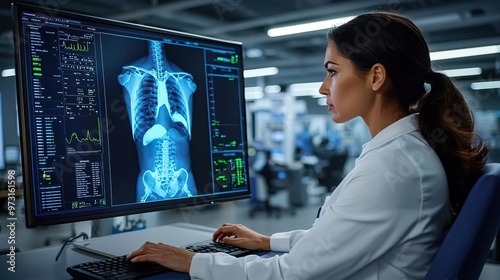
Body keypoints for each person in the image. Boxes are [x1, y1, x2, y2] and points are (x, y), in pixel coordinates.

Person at [127, 12, 488, 279]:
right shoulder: (401, 154)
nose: (322, 87)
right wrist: (269, 241)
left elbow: (292, 274)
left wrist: (192, 261)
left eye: (332, 71)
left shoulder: (394, 169)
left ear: (375, 76)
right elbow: (344, 237)